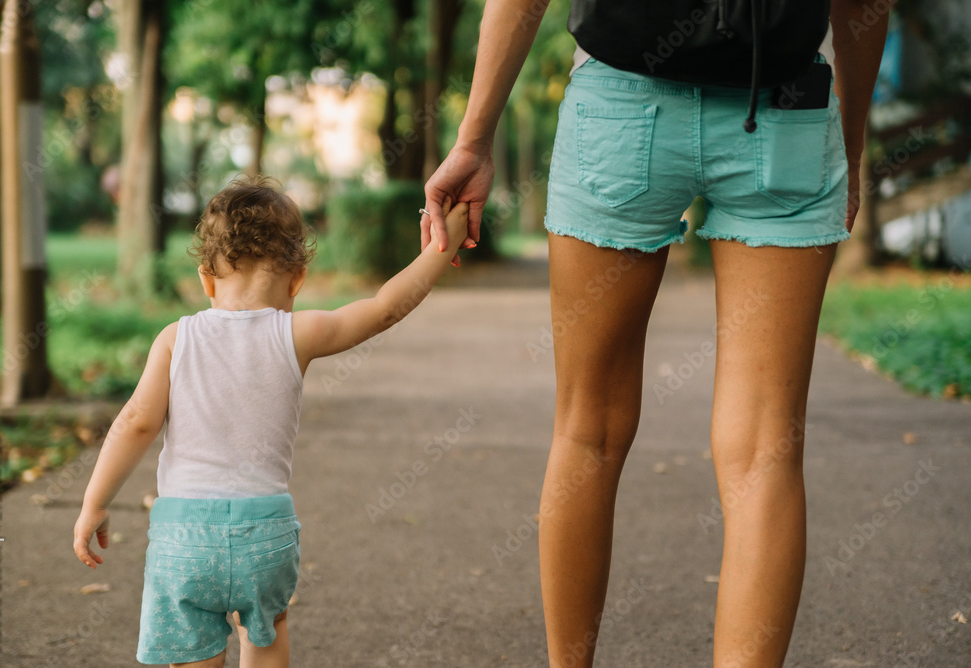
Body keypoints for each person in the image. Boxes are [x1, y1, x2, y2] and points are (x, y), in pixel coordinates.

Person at [421, 1, 888, 666]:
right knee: (765, 452)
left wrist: (472, 140)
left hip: (619, 106)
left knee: (586, 429)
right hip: (785, 112)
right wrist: (851, 137)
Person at [73, 176, 468, 668]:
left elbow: (135, 422)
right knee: (266, 637)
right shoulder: (297, 332)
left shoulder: (175, 338)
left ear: (206, 279)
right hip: (265, 535)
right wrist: (444, 240)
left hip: (184, 538)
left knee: (191, 652)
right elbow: (385, 308)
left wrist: (95, 502)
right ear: (297, 280)